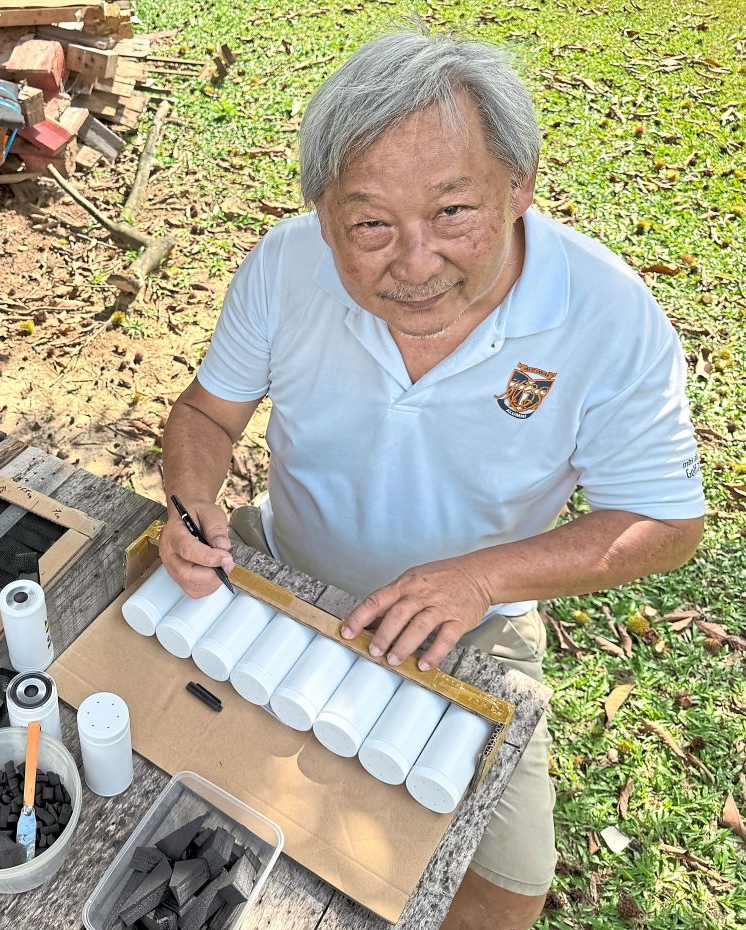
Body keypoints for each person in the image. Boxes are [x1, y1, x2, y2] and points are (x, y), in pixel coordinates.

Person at [158, 29, 704, 930]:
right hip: (277, 564)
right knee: (165, 752)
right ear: (323, 215)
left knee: (504, 896)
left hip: (474, 624)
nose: (414, 265)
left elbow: (665, 523)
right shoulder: (286, 265)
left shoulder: (610, 318)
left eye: (454, 212)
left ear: (520, 187)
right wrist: (190, 504)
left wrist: (479, 579)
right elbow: (206, 417)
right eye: (370, 225)